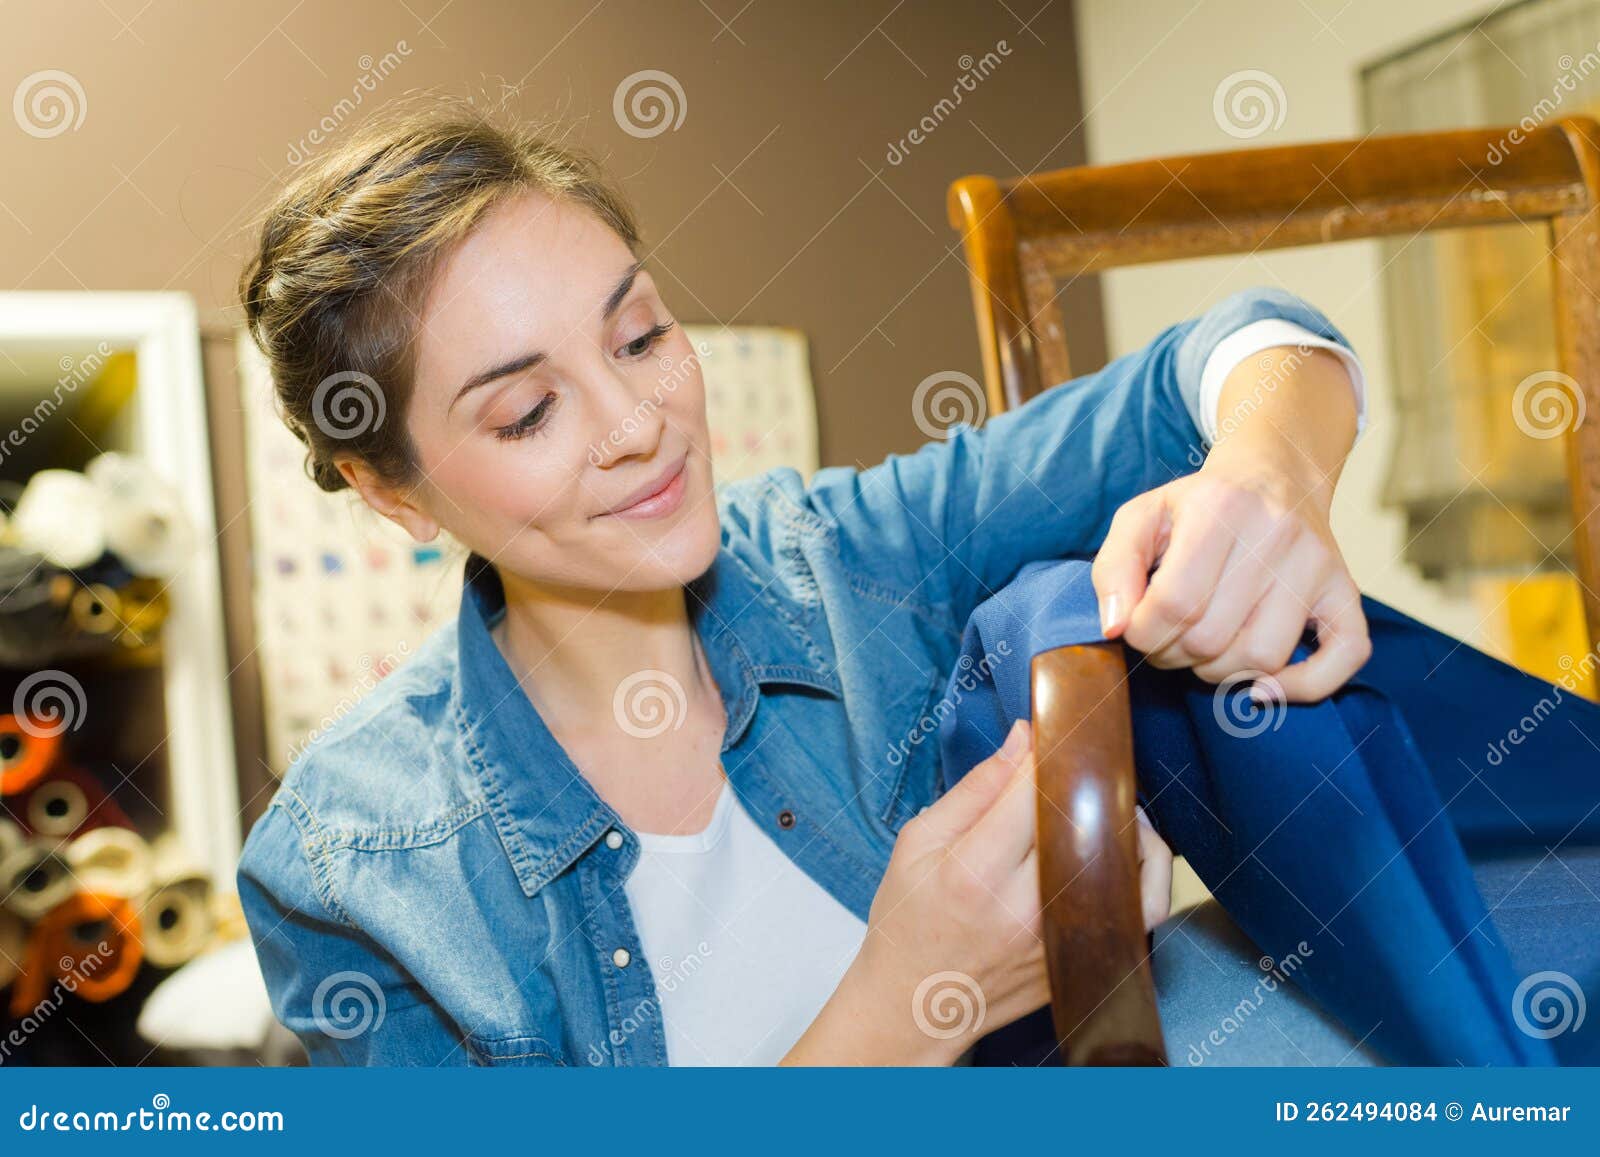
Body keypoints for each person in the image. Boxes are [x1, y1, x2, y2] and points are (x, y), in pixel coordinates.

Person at [235, 103, 1372, 1066]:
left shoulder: (851, 558)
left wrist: (1270, 473)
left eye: (638, 336)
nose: (641, 425)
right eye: (527, 412)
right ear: (393, 492)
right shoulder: (349, 864)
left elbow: (1243, 351)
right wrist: (909, 1002)